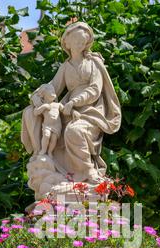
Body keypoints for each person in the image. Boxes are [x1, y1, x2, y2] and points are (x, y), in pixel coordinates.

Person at [22, 21, 121, 196]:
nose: (80, 45)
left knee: (74, 131)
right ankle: (47, 160)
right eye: (76, 41)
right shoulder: (65, 67)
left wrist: (74, 101)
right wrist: (37, 96)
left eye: (83, 42)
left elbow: (95, 89)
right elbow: (52, 88)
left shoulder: (93, 63)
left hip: (92, 111)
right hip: (70, 110)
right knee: (31, 113)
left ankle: (88, 172)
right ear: (67, 43)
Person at [33, 84, 63, 158]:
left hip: (57, 126)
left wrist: (72, 112)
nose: (53, 93)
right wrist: (43, 107)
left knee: (53, 139)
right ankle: (43, 150)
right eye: (51, 91)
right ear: (44, 95)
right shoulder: (44, 105)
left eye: (53, 91)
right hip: (47, 125)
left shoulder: (57, 105)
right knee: (46, 135)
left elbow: (65, 110)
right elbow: (35, 112)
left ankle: (50, 151)